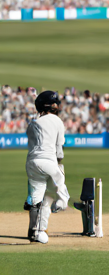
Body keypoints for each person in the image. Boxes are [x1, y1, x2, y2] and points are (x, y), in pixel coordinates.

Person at [25, 90, 70, 243]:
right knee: (54, 191)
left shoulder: (32, 124)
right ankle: (61, 202)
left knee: (37, 198)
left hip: (31, 163)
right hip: (48, 162)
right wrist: (59, 160)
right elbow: (59, 151)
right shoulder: (57, 121)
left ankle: (36, 231)